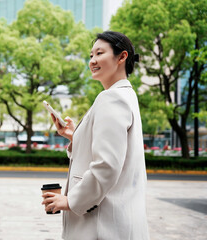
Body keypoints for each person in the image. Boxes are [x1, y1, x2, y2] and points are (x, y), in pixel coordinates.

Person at [41, 31, 150, 240]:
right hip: (117, 220)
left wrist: (71, 200)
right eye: (91, 55)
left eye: (99, 53)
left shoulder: (111, 99)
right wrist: (76, 137)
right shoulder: (126, 95)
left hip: (102, 226)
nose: (93, 61)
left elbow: (107, 165)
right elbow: (116, 152)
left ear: (122, 57)